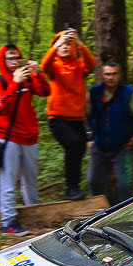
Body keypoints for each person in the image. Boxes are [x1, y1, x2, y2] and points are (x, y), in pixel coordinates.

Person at [0, 44, 48, 235]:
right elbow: (2, 106)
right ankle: (7, 222)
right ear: (3, 61)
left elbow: (44, 91)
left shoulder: (28, 79)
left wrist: (36, 74)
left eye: (17, 58)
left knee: (30, 180)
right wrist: (15, 82)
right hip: (8, 138)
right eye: (10, 58)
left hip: (29, 136)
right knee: (8, 182)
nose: (14, 62)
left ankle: (34, 215)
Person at [36, 28, 97, 201]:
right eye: (61, 44)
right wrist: (57, 44)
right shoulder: (54, 67)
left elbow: (92, 65)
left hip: (77, 118)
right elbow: (44, 65)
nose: (64, 46)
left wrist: (79, 43)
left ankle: (74, 188)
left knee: (79, 149)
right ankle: (70, 188)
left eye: (67, 44)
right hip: (58, 118)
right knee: (74, 143)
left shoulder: (79, 65)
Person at [87, 61, 133, 208]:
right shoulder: (94, 92)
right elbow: (85, 116)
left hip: (123, 147)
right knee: (94, 181)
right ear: (102, 75)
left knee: (125, 185)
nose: (111, 77)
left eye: (114, 74)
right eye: (107, 74)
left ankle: (128, 213)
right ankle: (102, 213)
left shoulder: (130, 93)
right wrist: (89, 136)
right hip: (99, 147)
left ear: (120, 75)